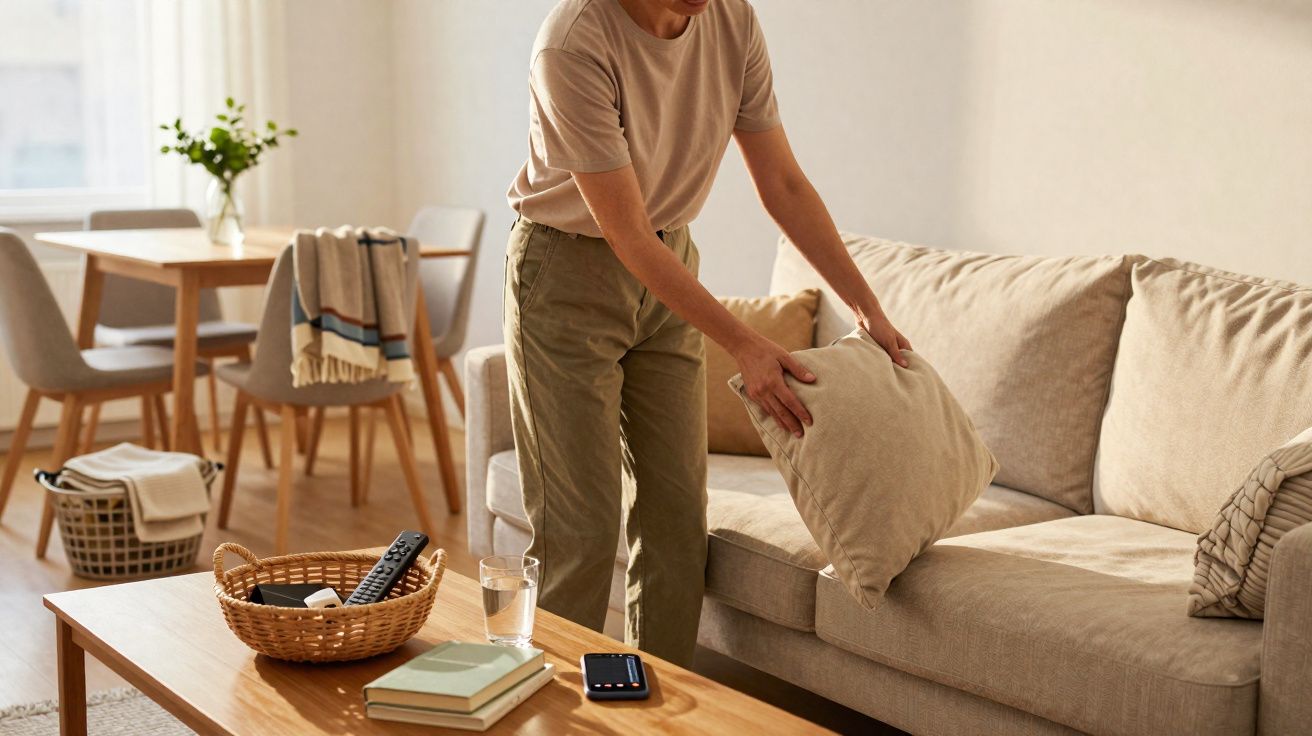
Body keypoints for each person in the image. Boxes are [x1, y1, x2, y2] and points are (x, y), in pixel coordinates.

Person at [504, 0, 910, 666]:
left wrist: (867, 307)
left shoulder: (732, 20)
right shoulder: (573, 42)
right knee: (578, 530)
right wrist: (745, 342)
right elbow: (625, 231)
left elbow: (781, 180)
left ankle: (655, 702)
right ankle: (544, 709)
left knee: (676, 519)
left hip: (671, 265)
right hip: (566, 276)